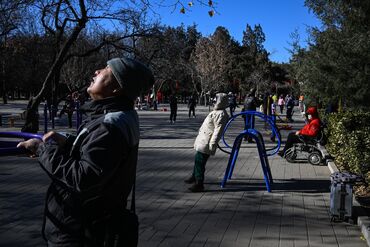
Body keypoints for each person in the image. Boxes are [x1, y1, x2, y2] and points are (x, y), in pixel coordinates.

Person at [17, 57, 154, 246]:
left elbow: (83, 177)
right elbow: (100, 154)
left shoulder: (109, 126)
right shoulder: (118, 117)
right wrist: (68, 142)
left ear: (117, 88)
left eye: (107, 69)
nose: (97, 71)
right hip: (89, 226)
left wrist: (42, 149)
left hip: (80, 230)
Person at [185, 93, 229, 192]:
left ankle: (199, 183)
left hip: (207, 141)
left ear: (220, 102)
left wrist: (212, 144)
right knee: (198, 159)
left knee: (200, 161)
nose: (213, 102)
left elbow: (218, 131)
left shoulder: (220, 114)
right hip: (204, 139)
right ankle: (195, 176)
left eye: (215, 100)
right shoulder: (217, 112)